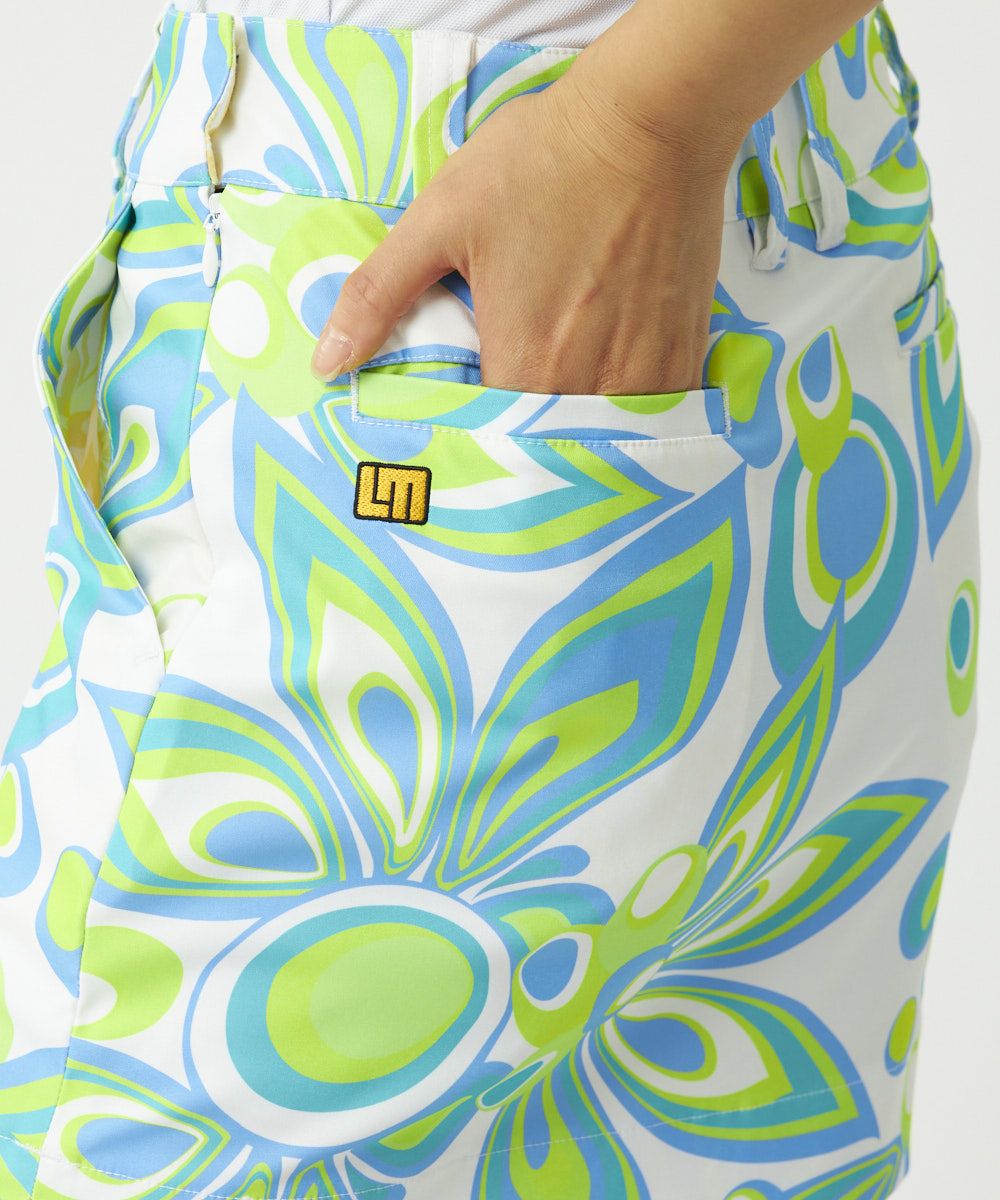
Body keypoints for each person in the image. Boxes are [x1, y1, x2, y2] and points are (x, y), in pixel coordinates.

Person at [0, 1, 980, 1198]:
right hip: (821, 290)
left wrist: (631, 131)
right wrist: (653, 120)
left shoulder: (612, 151)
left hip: (449, 280)